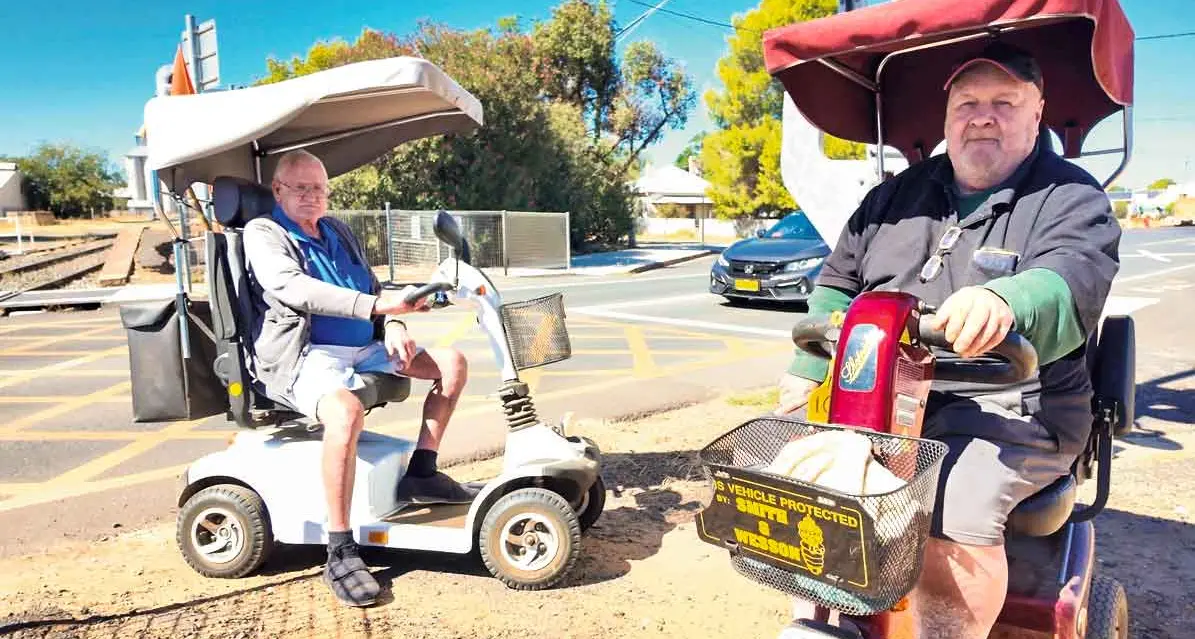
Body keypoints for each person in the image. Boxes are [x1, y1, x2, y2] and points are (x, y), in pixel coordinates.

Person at [775, 42, 1120, 638]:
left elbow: (1074, 276)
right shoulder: (893, 197)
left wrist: (1005, 301)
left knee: (951, 504)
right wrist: (804, 370)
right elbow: (837, 283)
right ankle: (819, 616)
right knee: (802, 479)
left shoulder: (1072, 197)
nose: (982, 115)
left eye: (1003, 102)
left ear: (1037, 113)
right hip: (881, 400)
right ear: (947, 117)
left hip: (1013, 406)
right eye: (967, 102)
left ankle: (943, 629)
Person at [243, 149, 477, 608]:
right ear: (278, 190)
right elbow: (293, 287)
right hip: (303, 355)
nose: (313, 197)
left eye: (320, 188)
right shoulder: (264, 232)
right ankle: (340, 546)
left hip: (364, 348)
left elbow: (372, 289)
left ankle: (422, 474)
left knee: (452, 363)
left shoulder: (337, 230)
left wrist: (394, 324)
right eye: (302, 188)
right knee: (345, 412)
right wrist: (378, 310)